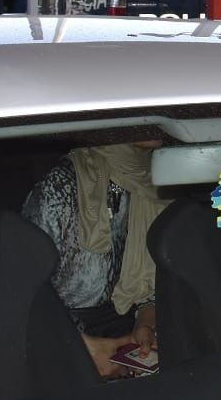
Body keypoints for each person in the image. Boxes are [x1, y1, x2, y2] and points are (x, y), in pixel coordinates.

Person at [22, 143, 166, 378]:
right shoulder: (64, 183)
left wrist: (146, 322)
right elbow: (21, 291)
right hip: (61, 335)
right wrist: (78, 347)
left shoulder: (161, 177)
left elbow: (153, 281)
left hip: (125, 331)